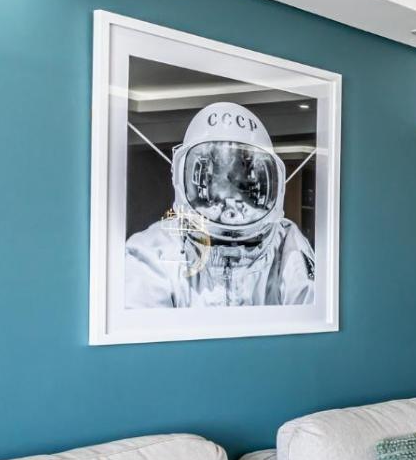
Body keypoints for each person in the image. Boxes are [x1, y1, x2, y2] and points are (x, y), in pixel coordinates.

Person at [125, 101, 315, 308]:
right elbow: (142, 320)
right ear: (186, 178)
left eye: (242, 188)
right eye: (216, 190)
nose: (230, 208)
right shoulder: (154, 250)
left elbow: (310, 310)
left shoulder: (285, 242)